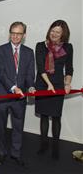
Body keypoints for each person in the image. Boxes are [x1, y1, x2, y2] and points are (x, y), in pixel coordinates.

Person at [0, 22, 35, 166]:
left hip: (20, 98)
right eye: (13, 32)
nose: (15, 36)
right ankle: (1, 153)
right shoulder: (0, 50)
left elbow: (30, 73)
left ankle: (16, 154)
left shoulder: (29, 52)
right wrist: (13, 88)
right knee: (1, 127)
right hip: (3, 95)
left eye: (18, 33)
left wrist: (30, 86)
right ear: (9, 33)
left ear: (24, 35)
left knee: (18, 127)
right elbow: (1, 73)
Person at [35, 20, 73, 160]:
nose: (54, 34)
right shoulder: (41, 46)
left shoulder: (68, 47)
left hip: (58, 84)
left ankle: (55, 146)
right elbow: (40, 67)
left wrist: (67, 83)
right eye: (52, 30)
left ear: (63, 34)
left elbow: (69, 68)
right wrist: (48, 84)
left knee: (56, 117)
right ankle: (44, 144)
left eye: (58, 32)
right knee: (44, 116)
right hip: (43, 83)